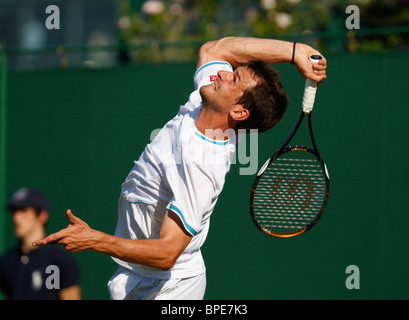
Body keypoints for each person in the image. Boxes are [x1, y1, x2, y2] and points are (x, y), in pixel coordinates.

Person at [32, 37, 327, 300]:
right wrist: (295, 51)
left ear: (238, 111)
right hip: (139, 276)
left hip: (169, 289)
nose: (223, 72)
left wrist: (96, 239)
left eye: (233, 78)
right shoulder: (205, 100)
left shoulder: (202, 166)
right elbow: (216, 48)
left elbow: (166, 254)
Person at [0, 188, 81, 300]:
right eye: (14, 211)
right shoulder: (6, 261)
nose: (16, 217)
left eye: (23, 211)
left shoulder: (59, 260)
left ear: (42, 215)